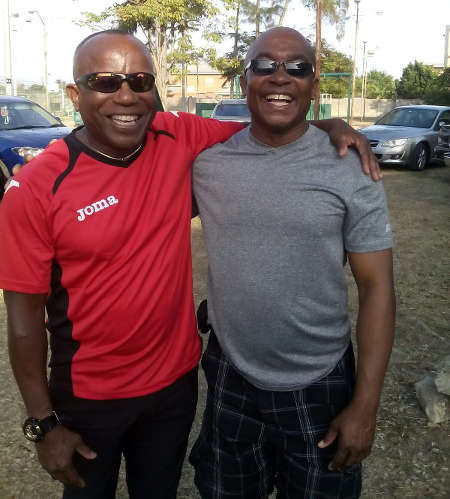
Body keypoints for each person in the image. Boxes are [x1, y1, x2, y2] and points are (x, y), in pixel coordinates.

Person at [0, 30, 379, 499]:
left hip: (174, 387)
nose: (126, 96)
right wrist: (42, 422)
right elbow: (22, 323)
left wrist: (331, 127)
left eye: (140, 82)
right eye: (105, 81)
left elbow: (270, 122)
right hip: (89, 395)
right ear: (75, 94)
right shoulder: (36, 188)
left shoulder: (177, 135)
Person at [190, 27, 395, 499]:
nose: (280, 78)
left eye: (297, 67)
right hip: (230, 372)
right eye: (265, 65)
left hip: (320, 377)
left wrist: (365, 406)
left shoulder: (351, 168)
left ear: (314, 85)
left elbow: (377, 288)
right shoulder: (209, 164)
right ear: (245, 81)